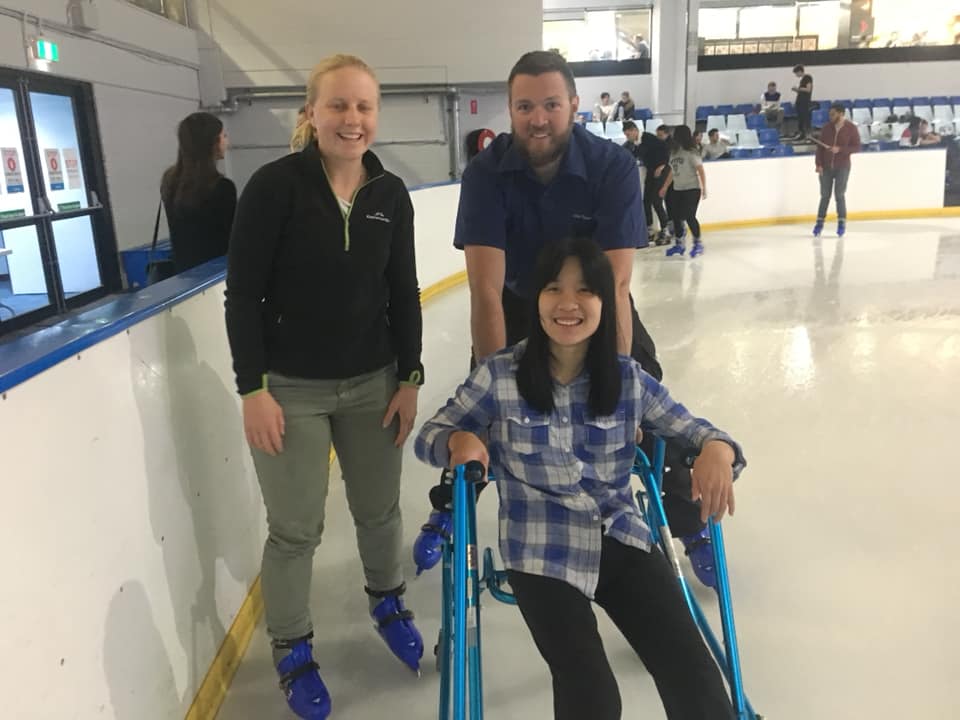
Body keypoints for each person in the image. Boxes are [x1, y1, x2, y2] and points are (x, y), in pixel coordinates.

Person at [412, 51, 722, 590]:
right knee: (481, 413)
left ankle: (688, 525)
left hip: (599, 309)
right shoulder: (487, 174)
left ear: (574, 106)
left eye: (551, 104)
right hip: (515, 308)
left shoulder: (612, 167)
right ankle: (453, 501)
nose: (538, 118)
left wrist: (617, 381)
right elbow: (486, 291)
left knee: (645, 410)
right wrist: (496, 390)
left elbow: (619, 285)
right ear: (509, 110)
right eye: (525, 106)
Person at [415, 236, 745, 720]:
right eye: (553, 289)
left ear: (604, 302)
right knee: (590, 691)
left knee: (694, 677)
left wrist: (717, 449)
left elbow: (699, 431)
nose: (568, 304)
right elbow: (432, 433)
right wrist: (456, 442)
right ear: (537, 300)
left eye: (585, 291)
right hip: (540, 548)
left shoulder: (627, 378)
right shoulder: (500, 376)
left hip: (619, 537)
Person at [224, 53, 425, 720]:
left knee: (379, 510)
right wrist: (253, 389)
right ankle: (291, 645)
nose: (352, 119)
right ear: (311, 113)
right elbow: (243, 295)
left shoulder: (389, 195)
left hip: (375, 383)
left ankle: (386, 598)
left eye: (364, 107)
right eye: (338, 105)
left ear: (376, 116)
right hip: (290, 391)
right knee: (295, 531)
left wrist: (410, 376)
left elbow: (402, 293)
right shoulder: (274, 187)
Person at [160, 112, 236, 273]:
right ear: (212, 142)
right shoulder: (222, 187)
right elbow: (233, 237)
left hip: (183, 272)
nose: (227, 141)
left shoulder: (169, 181)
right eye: (224, 136)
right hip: (217, 272)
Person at [813, 103, 860, 238]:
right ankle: (819, 223)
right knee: (825, 196)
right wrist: (819, 164)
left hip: (843, 166)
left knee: (839, 195)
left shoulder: (851, 128)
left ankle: (841, 223)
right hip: (826, 167)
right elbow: (820, 148)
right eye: (830, 114)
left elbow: (856, 147)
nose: (830, 116)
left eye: (833, 114)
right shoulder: (827, 128)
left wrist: (840, 149)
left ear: (841, 113)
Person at [622, 120, 672, 245]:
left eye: (628, 134)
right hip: (651, 171)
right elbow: (634, 154)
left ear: (635, 131)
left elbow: (665, 149)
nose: (628, 138)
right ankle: (649, 228)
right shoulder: (635, 143)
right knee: (646, 200)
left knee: (656, 199)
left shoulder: (648, 138)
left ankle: (666, 229)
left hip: (662, 170)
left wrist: (663, 165)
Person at [662, 125, 707, 259]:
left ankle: (698, 243)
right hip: (678, 189)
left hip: (692, 189)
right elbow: (672, 171)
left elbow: (700, 169)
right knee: (676, 217)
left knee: (689, 216)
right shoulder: (674, 152)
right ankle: (679, 244)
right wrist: (665, 186)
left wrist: (704, 187)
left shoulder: (692, 152)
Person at [791, 65, 814, 139]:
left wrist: (798, 88)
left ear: (800, 71)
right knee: (800, 119)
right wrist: (797, 90)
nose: (796, 75)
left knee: (805, 118)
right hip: (800, 101)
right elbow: (802, 92)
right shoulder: (802, 79)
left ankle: (807, 134)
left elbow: (808, 89)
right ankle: (802, 134)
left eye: (796, 73)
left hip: (804, 102)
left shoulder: (807, 77)